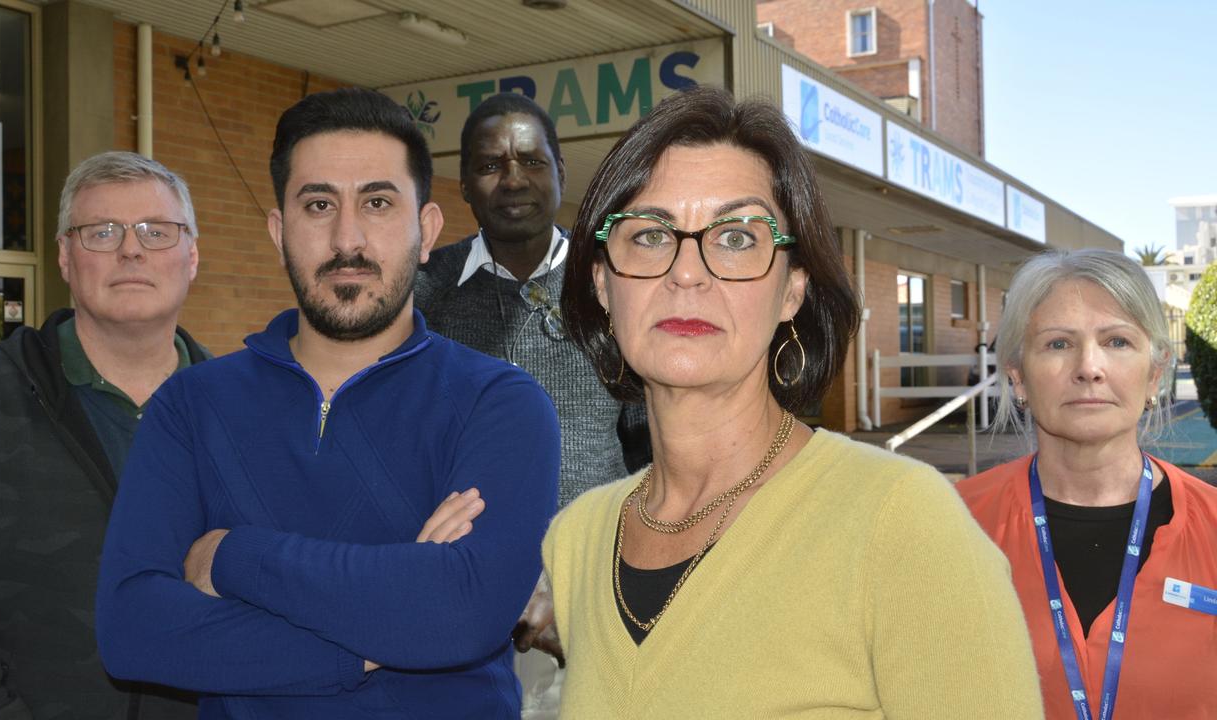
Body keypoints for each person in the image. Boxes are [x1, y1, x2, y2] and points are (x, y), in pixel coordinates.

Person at [541, 86, 1043, 718]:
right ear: (603, 283)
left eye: (735, 238)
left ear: (791, 292)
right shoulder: (577, 540)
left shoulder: (902, 523)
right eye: (649, 235)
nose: (686, 272)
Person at [95, 87, 560, 719]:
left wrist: (232, 555)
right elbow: (134, 632)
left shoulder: (499, 404)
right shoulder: (192, 405)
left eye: (376, 202)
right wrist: (378, 636)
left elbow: (459, 619)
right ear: (279, 230)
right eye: (319, 204)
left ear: (425, 231)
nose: (347, 239)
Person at [0, 151, 208, 719]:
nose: (130, 249)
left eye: (157, 231)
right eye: (101, 231)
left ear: (192, 257)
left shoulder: (245, 414)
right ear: (64, 256)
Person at [958, 248, 1217, 720]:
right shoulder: (949, 524)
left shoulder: (1213, 527)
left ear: (1155, 373)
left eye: (1117, 341)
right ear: (1017, 376)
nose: (1089, 367)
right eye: (1058, 344)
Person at [415, 92, 649, 506]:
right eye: (490, 166)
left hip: (596, 557)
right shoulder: (425, 290)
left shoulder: (617, 282)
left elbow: (648, 443)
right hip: (466, 559)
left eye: (532, 162)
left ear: (560, 171)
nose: (514, 180)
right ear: (465, 185)